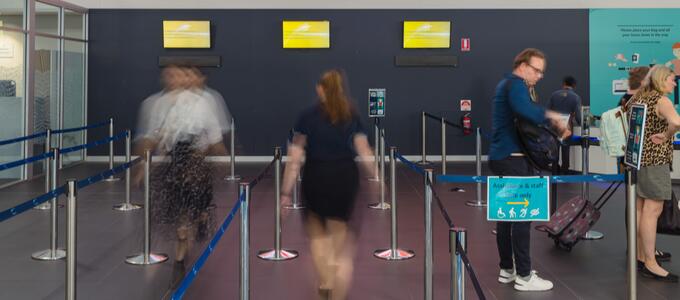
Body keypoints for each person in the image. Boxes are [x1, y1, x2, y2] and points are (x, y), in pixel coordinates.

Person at [280, 69, 375, 300]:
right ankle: (337, 286)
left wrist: (285, 192)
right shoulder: (351, 115)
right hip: (344, 178)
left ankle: (325, 282)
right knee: (340, 245)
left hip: (316, 177)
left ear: (319, 89)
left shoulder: (307, 116)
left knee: (317, 238)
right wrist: (376, 177)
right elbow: (364, 150)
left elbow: (294, 159)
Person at [134, 65, 230, 286]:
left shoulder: (205, 102)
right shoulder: (163, 104)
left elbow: (214, 135)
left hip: (195, 165)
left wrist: (221, 158)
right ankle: (179, 259)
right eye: (173, 76)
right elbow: (157, 135)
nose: (179, 80)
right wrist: (143, 165)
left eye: (182, 75)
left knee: (193, 210)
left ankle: (197, 223)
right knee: (181, 216)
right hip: (176, 165)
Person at [489, 48, 570, 292]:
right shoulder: (515, 85)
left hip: (502, 157)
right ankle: (524, 275)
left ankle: (507, 269)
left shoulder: (505, 84)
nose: (539, 75)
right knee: (522, 216)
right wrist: (553, 116)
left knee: (505, 217)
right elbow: (526, 111)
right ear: (523, 66)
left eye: (541, 72)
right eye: (536, 70)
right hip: (514, 160)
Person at [629, 65, 679, 282]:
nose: (675, 83)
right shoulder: (662, 100)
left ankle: (641, 256)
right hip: (656, 161)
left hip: (639, 160)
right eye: (672, 79)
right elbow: (677, 122)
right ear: (661, 79)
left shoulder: (640, 98)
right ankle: (651, 262)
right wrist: (666, 135)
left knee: (641, 209)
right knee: (653, 209)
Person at [547, 76, 582, 173]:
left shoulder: (554, 95)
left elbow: (547, 111)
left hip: (554, 126)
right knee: (566, 150)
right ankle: (565, 172)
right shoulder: (576, 97)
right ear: (574, 85)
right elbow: (579, 116)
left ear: (563, 84)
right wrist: (582, 125)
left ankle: (554, 171)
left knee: (555, 149)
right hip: (567, 127)